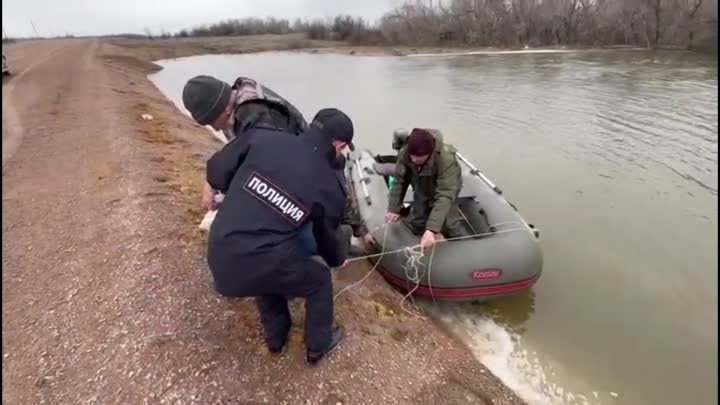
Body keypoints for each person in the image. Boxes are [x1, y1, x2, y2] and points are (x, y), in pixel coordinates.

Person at [204, 107, 354, 365]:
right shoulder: (330, 185)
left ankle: (276, 339)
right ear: (339, 145)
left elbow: (216, 172)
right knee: (318, 280)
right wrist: (338, 258)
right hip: (260, 261)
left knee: (269, 263)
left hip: (219, 255)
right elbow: (327, 241)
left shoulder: (263, 137)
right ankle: (318, 347)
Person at [181, 75, 307, 211]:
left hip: (307, 177)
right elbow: (240, 153)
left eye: (211, 122)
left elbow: (269, 170)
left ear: (223, 110)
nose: (215, 129)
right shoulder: (234, 109)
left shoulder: (255, 115)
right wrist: (211, 182)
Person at [384, 128, 468, 249]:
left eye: (419, 157)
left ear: (429, 154)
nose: (413, 160)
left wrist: (431, 230)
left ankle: (461, 243)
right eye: (412, 156)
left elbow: (445, 194)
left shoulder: (445, 160)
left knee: (449, 222)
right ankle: (418, 229)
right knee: (418, 218)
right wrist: (393, 208)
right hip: (421, 183)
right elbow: (399, 180)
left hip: (446, 185)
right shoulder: (406, 153)